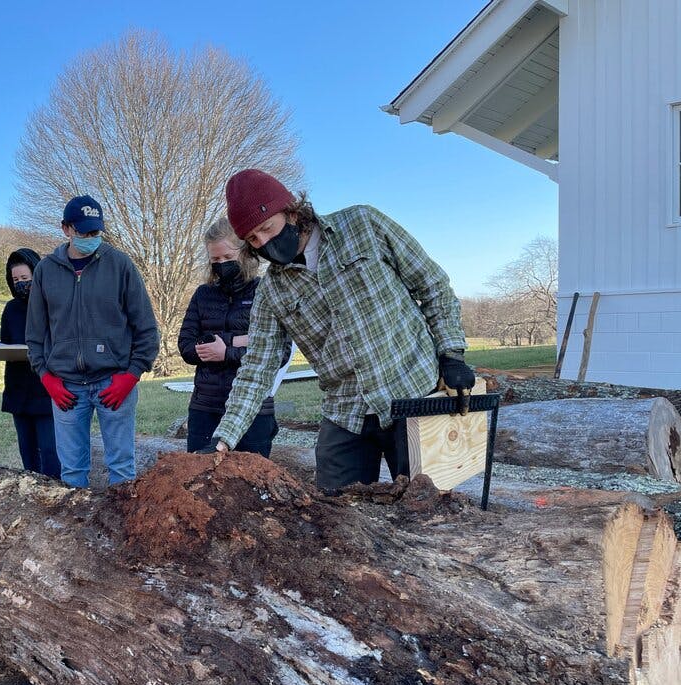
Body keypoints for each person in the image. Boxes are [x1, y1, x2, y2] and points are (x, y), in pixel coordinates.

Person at [203, 169, 475, 494]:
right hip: (347, 411)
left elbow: (432, 285)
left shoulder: (363, 225)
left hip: (413, 392)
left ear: (292, 212)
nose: (264, 243)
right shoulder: (272, 291)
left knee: (427, 506)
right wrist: (224, 438)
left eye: (267, 229)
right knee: (334, 517)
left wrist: (451, 353)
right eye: (253, 240)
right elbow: (256, 370)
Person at [26, 195, 159, 488]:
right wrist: (46, 377)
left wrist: (132, 374)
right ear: (66, 229)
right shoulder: (46, 270)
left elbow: (147, 328)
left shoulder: (120, 265)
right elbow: (35, 335)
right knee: (72, 472)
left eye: (95, 232)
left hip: (113, 381)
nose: (89, 238)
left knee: (122, 469)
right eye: (82, 231)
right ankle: (76, 531)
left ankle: (121, 530)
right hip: (67, 387)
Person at [178, 217, 282, 457]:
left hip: (254, 409)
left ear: (245, 254)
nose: (221, 264)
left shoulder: (265, 292)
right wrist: (243, 340)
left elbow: (277, 351)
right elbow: (186, 347)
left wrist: (225, 350)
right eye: (215, 260)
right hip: (205, 406)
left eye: (227, 258)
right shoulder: (203, 295)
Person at [0, 248, 61, 478]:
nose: (20, 284)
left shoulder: (52, 304)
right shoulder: (11, 308)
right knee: (27, 450)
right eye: (15, 280)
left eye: (25, 278)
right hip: (18, 387)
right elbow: (6, 343)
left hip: (45, 386)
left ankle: (56, 491)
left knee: (49, 450)